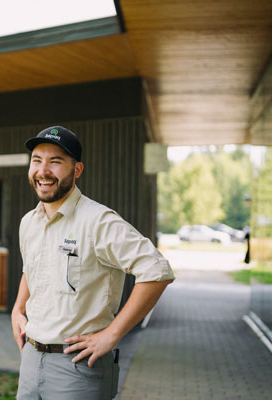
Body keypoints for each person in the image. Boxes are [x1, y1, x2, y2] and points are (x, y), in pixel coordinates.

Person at [11, 125, 175, 399]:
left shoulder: (98, 221)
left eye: (56, 161)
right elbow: (31, 269)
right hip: (30, 360)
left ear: (77, 170)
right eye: (37, 160)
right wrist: (18, 308)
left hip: (77, 367)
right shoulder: (29, 222)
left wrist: (112, 335)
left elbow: (157, 271)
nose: (43, 171)